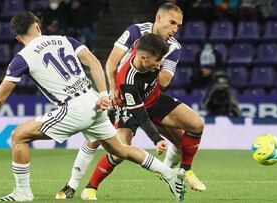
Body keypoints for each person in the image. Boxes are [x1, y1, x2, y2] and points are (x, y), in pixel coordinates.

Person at [0, 11, 186, 202]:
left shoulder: (22, 58)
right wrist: (103, 95)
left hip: (73, 107)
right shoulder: (65, 40)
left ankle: (23, 192)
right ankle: (169, 173)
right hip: (93, 100)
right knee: (120, 150)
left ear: (19, 38)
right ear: (38, 27)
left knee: (19, 136)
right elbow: (93, 62)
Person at [56, 3, 206, 200]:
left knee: (184, 140)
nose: (175, 29)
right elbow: (111, 62)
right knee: (101, 142)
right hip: (122, 94)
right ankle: (73, 185)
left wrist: (152, 63)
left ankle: (172, 170)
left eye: (178, 25)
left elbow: (164, 80)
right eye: (172, 23)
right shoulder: (136, 31)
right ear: (158, 18)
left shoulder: (173, 47)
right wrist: (113, 88)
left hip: (151, 98)